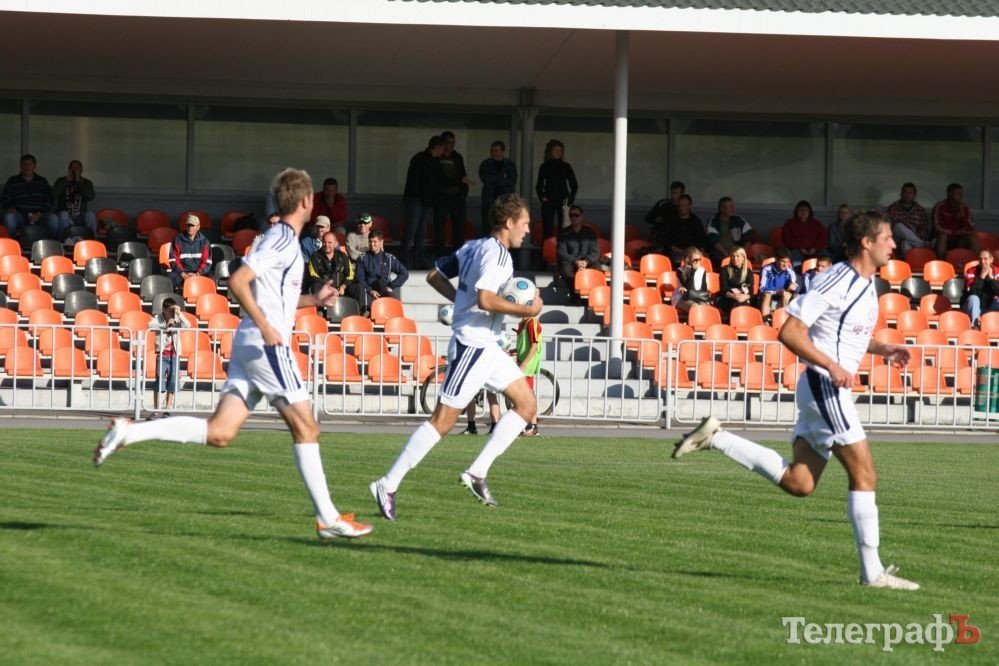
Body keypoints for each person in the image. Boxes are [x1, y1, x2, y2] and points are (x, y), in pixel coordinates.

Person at [94, 167, 373, 541]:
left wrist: (313, 299)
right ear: (307, 202)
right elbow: (238, 280)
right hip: (265, 344)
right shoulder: (283, 239)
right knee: (307, 426)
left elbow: (276, 298)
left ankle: (130, 432)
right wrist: (268, 326)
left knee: (220, 433)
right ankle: (328, 518)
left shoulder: (283, 240)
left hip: (249, 343)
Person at [671, 209, 919, 591]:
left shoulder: (867, 283)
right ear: (867, 243)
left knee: (799, 482)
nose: (893, 243)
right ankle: (873, 574)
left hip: (822, 387)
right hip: (824, 386)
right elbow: (790, 331)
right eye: (886, 237)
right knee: (865, 473)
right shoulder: (837, 279)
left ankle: (716, 437)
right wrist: (831, 366)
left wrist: (883, 348)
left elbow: (844, 333)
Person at [369, 193, 543, 520]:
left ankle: (477, 472)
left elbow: (435, 276)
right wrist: (528, 310)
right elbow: (487, 299)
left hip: (488, 345)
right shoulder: (499, 256)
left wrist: (460, 301)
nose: (528, 230)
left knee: (527, 405)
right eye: (525, 223)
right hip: (472, 346)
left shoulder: (473, 246)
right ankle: (387, 484)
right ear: (509, 222)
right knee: (442, 422)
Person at [402, 136, 444, 268]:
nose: (443, 151)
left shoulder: (435, 161)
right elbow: (416, 182)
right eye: (442, 148)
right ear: (437, 147)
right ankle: (404, 260)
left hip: (425, 201)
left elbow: (439, 180)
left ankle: (418, 260)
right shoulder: (420, 159)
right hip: (416, 199)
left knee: (421, 232)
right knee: (412, 231)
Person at [148, 298, 189, 419]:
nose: (171, 312)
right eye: (169, 310)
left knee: (172, 380)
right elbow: (150, 325)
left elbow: (187, 325)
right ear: (164, 310)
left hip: (174, 353)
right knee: (159, 381)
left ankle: (167, 408)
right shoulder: (158, 318)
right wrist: (165, 326)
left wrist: (179, 314)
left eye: (173, 310)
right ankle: (156, 409)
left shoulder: (177, 318)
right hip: (162, 354)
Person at [1, 154, 58, 238]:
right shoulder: (13, 181)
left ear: (34, 166)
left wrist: (39, 213)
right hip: (20, 215)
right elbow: (5, 198)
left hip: (39, 215)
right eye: (24, 164)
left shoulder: (42, 181)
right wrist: (10, 207)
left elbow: (49, 200)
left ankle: (52, 244)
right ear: (20, 166)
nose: (26, 167)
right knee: (9, 217)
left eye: (29, 164)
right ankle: (14, 245)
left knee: (53, 219)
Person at [355, 229, 409, 314]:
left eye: (375, 242)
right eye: (370, 242)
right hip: (368, 291)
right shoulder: (362, 258)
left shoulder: (389, 258)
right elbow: (360, 278)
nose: (372, 244)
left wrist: (391, 286)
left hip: (384, 289)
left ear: (381, 242)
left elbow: (404, 273)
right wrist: (370, 291)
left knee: (393, 302)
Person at [434, 130, 469, 256]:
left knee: (459, 227)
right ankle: (440, 255)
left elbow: (463, 176)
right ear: (443, 143)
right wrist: (457, 181)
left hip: (457, 196)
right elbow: (438, 177)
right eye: (449, 143)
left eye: (453, 143)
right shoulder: (437, 157)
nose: (452, 145)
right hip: (441, 196)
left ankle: (458, 256)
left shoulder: (457, 157)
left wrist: (463, 192)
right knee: (440, 227)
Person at [535, 139, 578, 240]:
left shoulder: (566, 166)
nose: (558, 153)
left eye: (560, 150)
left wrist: (570, 200)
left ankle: (563, 253)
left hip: (563, 200)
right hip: (549, 200)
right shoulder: (544, 166)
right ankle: (545, 254)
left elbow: (574, 185)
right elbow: (539, 185)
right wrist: (543, 198)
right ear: (550, 151)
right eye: (556, 150)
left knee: (564, 230)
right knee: (547, 230)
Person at [652, 194, 707, 265]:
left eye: (684, 205)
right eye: (679, 206)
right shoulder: (670, 220)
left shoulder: (695, 221)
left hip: (692, 252)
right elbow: (661, 238)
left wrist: (701, 250)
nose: (681, 208)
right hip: (674, 251)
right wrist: (675, 249)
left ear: (689, 206)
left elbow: (701, 238)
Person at [556, 205, 598, 296]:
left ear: (582, 216)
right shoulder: (564, 233)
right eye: (571, 215)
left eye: (576, 215)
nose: (573, 217)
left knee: (597, 268)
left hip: (587, 263)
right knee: (565, 268)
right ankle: (575, 295)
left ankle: (592, 296)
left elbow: (595, 251)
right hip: (571, 262)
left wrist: (586, 261)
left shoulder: (589, 233)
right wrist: (576, 262)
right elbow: (561, 252)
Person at [479, 140, 517, 234]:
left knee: (504, 228)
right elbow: (486, 179)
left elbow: (512, 181)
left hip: (505, 202)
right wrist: (502, 177)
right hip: (489, 200)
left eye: (496, 151)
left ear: (502, 152)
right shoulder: (486, 164)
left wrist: (495, 179)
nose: (493, 153)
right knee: (488, 227)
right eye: (492, 151)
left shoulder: (510, 165)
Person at [51, 159, 97, 238]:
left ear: (81, 170)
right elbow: (53, 194)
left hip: (80, 216)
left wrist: (79, 182)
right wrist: (66, 181)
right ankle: (62, 242)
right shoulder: (61, 181)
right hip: (66, 216)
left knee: (90, 215)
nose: (74, 170)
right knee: (63, 214)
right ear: (68, 169)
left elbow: (89, 197)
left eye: (77, 168)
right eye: (72, 168)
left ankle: (92, 241)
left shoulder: (86, 183)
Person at [705, 197, 756, 266]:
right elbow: (713, 240)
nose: (732, 209)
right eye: (730, 207)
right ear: (722, 209)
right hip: (721, 253)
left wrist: (743, 253)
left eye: (732, 206)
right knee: (716, 256)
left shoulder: (738, 219)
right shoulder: (713, 221)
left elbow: (750, 234)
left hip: (737, 251)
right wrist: (726, 254)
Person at [515, 313, 543, 437]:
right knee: (525, 395)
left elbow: (534, 346)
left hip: (527, 365)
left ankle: (531, 426)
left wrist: (524, 365)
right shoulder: (523, 322)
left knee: (527, 396)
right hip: (523, 362)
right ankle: (529, 425)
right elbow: (524, 346)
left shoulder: (532, 322)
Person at [932, 183, 978, 256]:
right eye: (958, 193)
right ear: (950, 194)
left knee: (971, 237)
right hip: (943, 239)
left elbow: (971, 228)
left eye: (962, 194)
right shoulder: (940, 206)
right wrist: (955, 232)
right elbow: (937, 228)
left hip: (959, 239)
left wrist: (962, 214)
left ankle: (976, 263)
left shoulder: (964, 207)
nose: (961, 196)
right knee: (943, 236)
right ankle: (941, 263)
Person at [169, 214, 212, 292]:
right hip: (182, 273)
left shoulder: (205, 242)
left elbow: (207, 262)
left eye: (192, 225)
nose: (190, 227)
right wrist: (183, 274)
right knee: (171, 277)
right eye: (188, 225)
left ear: (198, 227)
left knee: (211, 278)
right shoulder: (177, 240)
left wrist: (197, 274)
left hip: (198, 273)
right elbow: (174, 260)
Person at [887, 182, 931, 257]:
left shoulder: (919, 209)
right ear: (901, 193)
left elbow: (924, 228)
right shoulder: (894, 207)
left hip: (913, 237)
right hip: (896, 238)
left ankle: (909, 265)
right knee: (899, 226)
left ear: (914, 195)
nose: (907, 195)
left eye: (910, 193)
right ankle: (921, 244)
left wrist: (913, 235)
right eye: (905, 192)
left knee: (906, 242)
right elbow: (889, 226)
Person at [304, 231, 351, 297]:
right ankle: (319, 307)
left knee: (357, 287)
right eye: (324, 242)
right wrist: (329, 288)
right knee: (315, 286)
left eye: (329, 242)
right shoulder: (314, 256)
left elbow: (350, 275)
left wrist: (343, 286)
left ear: (335, 244)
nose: (326, 245)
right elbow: (313, 275)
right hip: (323, 288)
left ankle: (360, 307)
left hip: (340, 289)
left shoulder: (343, 256)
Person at [781, 200, 827, 265]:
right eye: (801, 210)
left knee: (825, 254)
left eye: (806, 210)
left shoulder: (817, 224)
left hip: (815, 250)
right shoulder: (789, 223)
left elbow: (823, 238)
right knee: (795, 255)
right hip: (797, 250)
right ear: (796, 211)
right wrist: (800, 248)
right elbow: (787, 239)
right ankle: (797, 273)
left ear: (809, 212)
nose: (803, 212)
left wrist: (815, 248)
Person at [962, 249, 999, 329]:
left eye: (985, 259)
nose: (982, 261)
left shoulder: (997, 271)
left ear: (991, 260)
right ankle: (974, 327)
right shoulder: (971, 271)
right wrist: (981, 277)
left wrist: (992, 279)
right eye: (980, 259)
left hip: (990, 306)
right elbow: (972, 292)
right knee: (974, 298)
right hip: (972, 307)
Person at [672, 246, 711, 315]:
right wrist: (693, 271)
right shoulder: (680, 270)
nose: (698, 262)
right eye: (695, 260)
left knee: (706, 308)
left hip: (697, 297)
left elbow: (703, 288)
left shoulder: (702, 270)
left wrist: (706, 301)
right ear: (688, 259)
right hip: (682, 298)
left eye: (699, 259)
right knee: (695, 307)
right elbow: (688, 288)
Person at [759, 249, 798, 316]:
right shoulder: (767, 269)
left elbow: (796, 286)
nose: (785, 265)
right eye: (783, 261)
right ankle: (765, 321)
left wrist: (795, 287)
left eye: (787, 262)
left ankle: (786, 319)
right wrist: (777, 292)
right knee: (767, 295)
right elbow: (762, 288)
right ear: (776, 260)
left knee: (796, 296)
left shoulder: (790, 271)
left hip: (784, 298)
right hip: (770, 297)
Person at [717, 246, 754, 315]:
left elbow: (751, 290)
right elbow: (723, 289)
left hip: (744, 298)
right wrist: (734, 296)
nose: (735, 258)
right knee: (737, 303)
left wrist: (744, 297)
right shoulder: (725, 270)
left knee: (742, 303)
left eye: (738, 256)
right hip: (728, 297)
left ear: (743, 258)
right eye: (733, 256)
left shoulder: (748, 272)